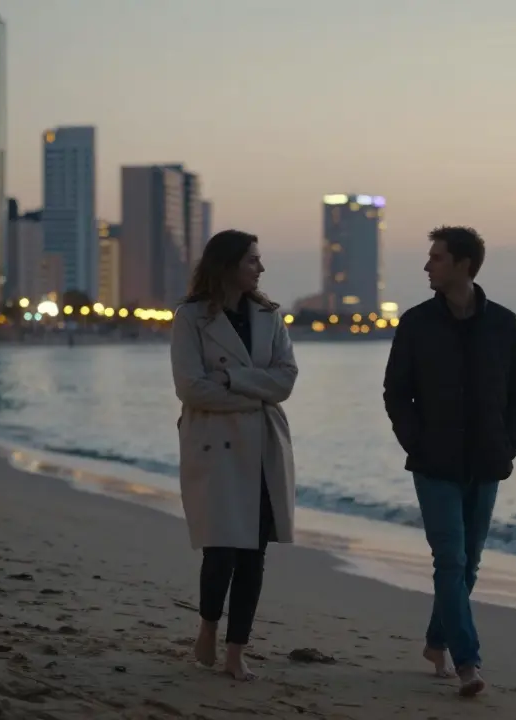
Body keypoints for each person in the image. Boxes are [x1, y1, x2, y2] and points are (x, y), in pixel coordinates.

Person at [382, 226, 516, 697]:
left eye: (437, 258)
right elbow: (395, 392)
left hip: (487, 461)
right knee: (449, 558)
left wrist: (508, 445)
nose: (428, 266)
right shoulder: (417, 323)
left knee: (468, 565)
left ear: (464, 264)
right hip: (435, 463)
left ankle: (434, 641)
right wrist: (416, 444)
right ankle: (467, 662)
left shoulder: (503, 324)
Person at [169, 229, 298, 682]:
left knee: (253, 554)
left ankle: (236, 650)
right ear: (227, 265)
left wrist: (229, 382)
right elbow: (190, 387)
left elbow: (285, 380)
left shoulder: (269, 314)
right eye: (252, 260)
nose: (260, 269)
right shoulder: (190, 318)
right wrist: (251, 391)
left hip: (262, 445)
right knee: (220, 548)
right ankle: (207, 627)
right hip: (215, 444)